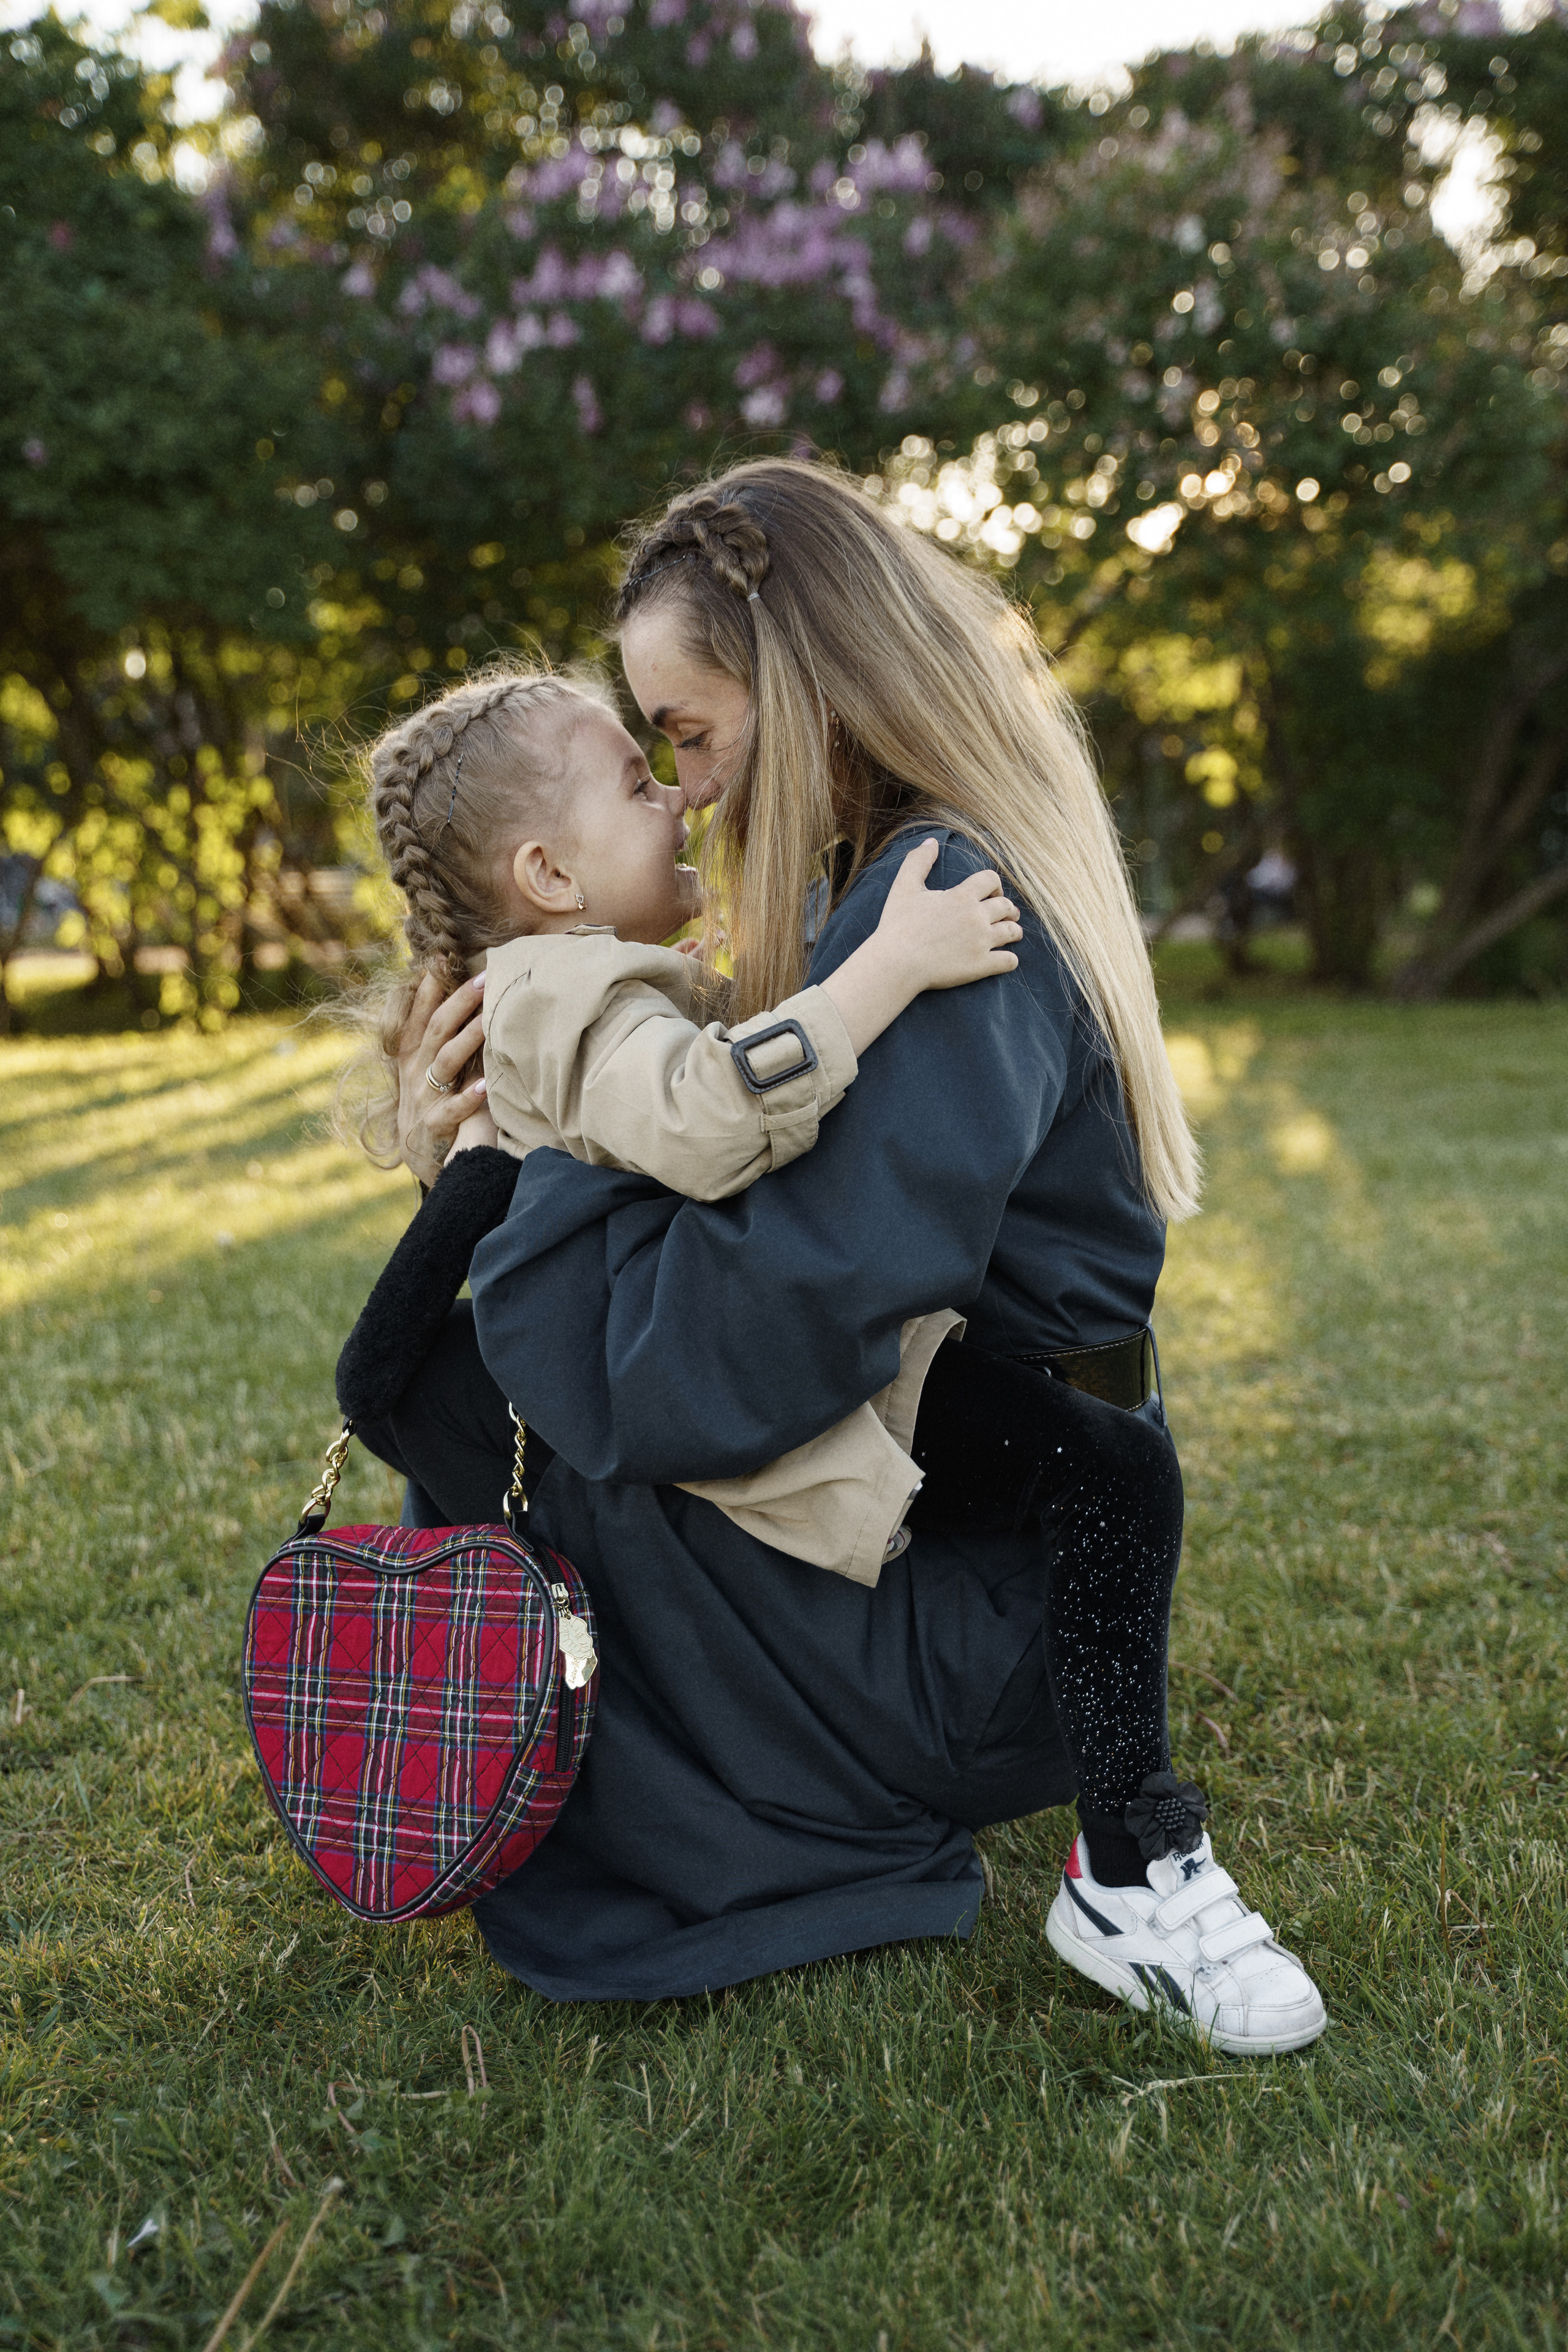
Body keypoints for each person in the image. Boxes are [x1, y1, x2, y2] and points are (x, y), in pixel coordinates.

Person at [364, 458, 1327, 2054]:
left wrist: (516, 1201)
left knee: (529, 1393)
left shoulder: (940, 912)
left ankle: (1131, 1866)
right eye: (659, 756)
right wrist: (483, 1149)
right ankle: (545, 1749)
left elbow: (737, 1345)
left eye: (690, 735)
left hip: (984, 1640)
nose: (691, 790)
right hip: (967, 1537)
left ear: (798, 685)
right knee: (514, 1375)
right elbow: (730, 1185)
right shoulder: (901, 884)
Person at [349, 662, 1021, 1583]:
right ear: (548, 874)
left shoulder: (558, 991)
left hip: (652, 1375)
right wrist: (891, 965)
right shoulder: (561, 995)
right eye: (638, 783)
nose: (679, 797)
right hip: (662, 1383)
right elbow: (708, 1119)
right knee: (1092, 1473)